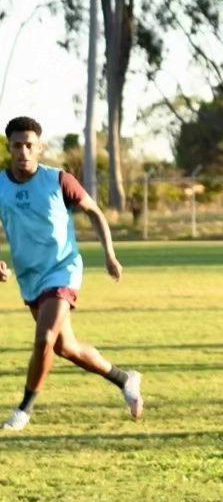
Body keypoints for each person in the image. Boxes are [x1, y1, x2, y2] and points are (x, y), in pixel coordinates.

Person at [0, 116, 142, 431]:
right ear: (9, 148)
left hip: (62, 271)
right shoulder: (1, 186)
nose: (23, 151)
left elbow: (94, 211)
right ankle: (125, 379)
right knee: (65, 347)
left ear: (39, 148)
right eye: (16, 146)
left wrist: (109, 254)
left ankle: (23, 410)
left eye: (28, 145)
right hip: (30, 277)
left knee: (45, 339)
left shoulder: (59, 180)